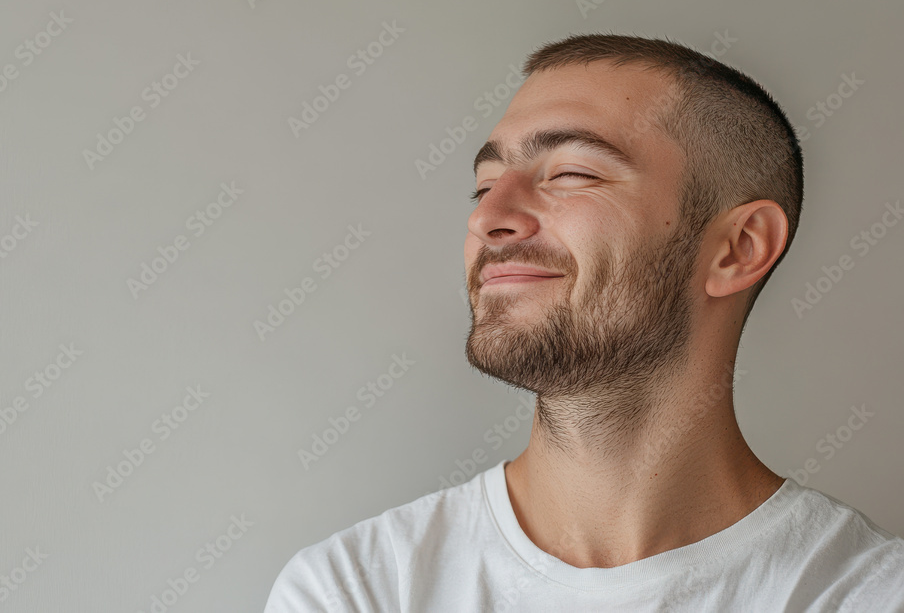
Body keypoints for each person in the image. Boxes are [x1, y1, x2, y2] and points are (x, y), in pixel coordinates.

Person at [263, 33, 904, 611]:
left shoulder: (867, 594)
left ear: (738, 248)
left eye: (572, 173)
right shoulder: (359, 588)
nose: (488, 218)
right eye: (484, 186)